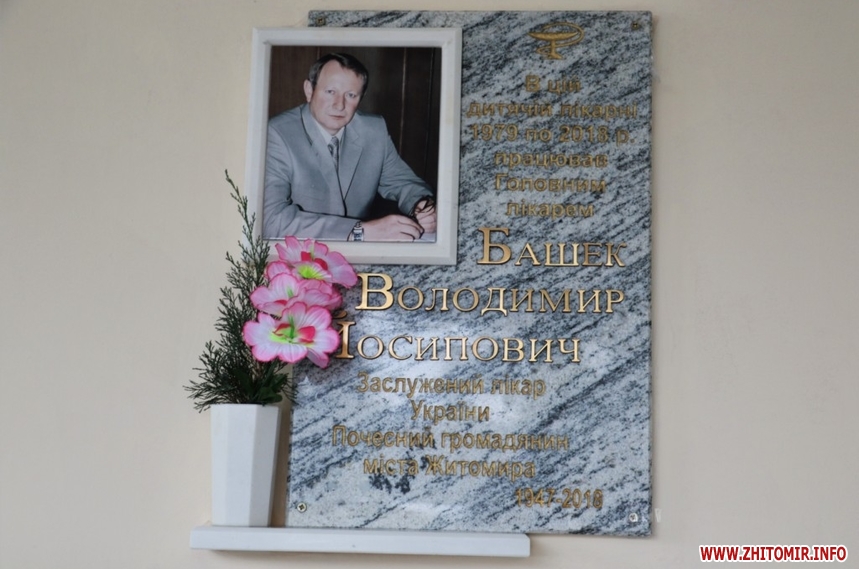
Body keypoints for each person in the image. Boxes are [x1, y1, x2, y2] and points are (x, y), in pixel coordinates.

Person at [262, 52, 437, 242]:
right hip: (301, 253)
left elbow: (402, 182)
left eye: (351, 95)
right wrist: (359, 231)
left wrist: (422, 206)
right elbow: (271, 220)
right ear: (309, 90)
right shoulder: (277, 133)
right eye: (331, 92)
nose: (340, 105)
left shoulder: (374, 130)